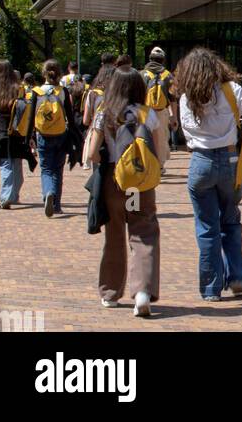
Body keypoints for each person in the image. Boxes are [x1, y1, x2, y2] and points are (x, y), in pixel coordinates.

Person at [174, 47, 242, 302]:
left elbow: (186, 134)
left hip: (200, 161)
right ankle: (237, 276)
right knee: (230, 219)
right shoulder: (230, 89)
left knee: (206, 227)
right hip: (230, 159)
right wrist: (240, 127)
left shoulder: (185, 98)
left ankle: (211, 289)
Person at [85, 68, 161, 318]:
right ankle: (142, 292)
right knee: (143, 233)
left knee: (114, 235)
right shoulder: (147, 114)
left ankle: (110, 292)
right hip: (138, 184)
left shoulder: (103, 113)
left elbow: (92, 153)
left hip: (112, 180)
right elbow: (160, 153)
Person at [0, 60, 31, 208]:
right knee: (16, 163)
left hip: (0, 130)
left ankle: (7, 195)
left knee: (6, 164)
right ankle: (13, 194)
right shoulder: (18, 88)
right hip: (17, 130)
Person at [33, 59, 74, 216]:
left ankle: (48, 192)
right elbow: (70, 117)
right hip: (60, 134)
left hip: (42, 134)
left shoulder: (37, 92)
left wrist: (30, 137)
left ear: (44, 73)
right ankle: (56, 205)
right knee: (58, 169)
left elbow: (31, 117)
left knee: (46, 168)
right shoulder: (63, 91)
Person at [141, 47, 176, 171]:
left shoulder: (142, 74)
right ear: (163, 60)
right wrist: (174, 117)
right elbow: (173, 98)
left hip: (145, 111)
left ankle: (146, 164)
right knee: (161, 139)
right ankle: (160, 166)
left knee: (144, 137)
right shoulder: (168, 75)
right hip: (161, 112)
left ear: (150, 58)